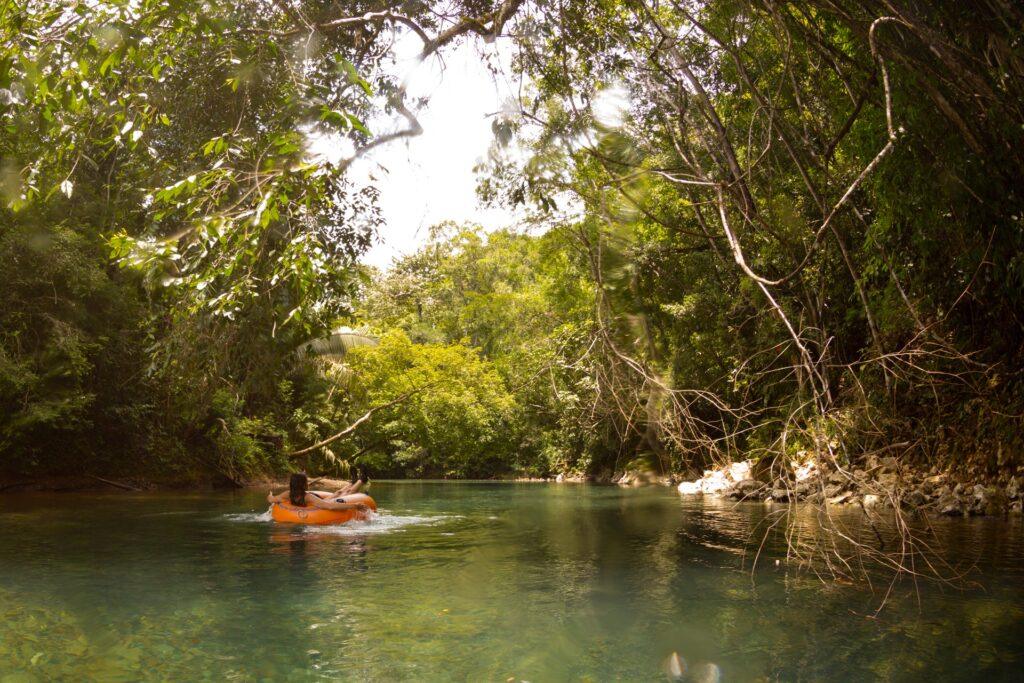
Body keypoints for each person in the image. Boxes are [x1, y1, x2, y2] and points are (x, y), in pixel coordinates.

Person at [267, 472, 369, 512]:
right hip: (318, 503)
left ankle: (356, 481)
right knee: (343, 494)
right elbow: (329, 507)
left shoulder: (288, 494)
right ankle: (360, 480)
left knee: (339, 493)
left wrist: (270, 495)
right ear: (303, 484)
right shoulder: (303, 496)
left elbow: (271, 499)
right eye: (306, 482)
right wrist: (355, 505)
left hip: (317, 501)